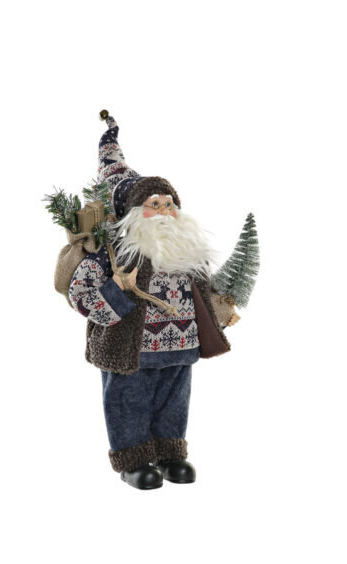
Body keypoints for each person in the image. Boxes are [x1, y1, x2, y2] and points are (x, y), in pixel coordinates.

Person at [68, 112, 239, 490]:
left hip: (180, 347)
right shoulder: (114, 254)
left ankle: (170, 452)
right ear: (133, 212)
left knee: (174, 401)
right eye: (154, 204)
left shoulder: (188, 253)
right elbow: (80, 296)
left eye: (168, 203)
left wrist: (221, 310)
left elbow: (201, 294)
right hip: (130, 349)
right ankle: (132, 460)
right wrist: (116, 288)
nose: (163, 211)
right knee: (128, 401)